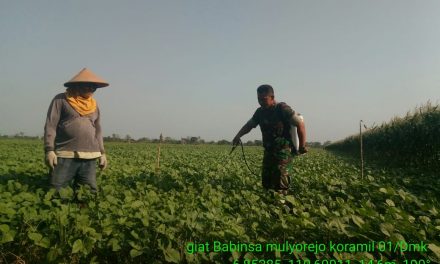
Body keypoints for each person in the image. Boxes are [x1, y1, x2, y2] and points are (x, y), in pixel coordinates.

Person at [232, 84, 307, 195]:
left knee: (280, 185)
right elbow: (249, 125)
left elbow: (300, 124)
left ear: (272, 97)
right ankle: (269, 205)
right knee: (266, 183)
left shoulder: (282, 108)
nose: (261, 102)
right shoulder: (260, 112)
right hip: (268, 152)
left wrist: (302, 146)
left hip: (283, 153)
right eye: (259, 99)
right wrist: (238, 136)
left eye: (264, 99)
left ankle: (281, 207)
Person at [44, 68, 109, 192]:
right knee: (57, 189)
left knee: (88, 191)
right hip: (65, 153)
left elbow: (98, 129)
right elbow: (50, 125)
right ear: (77, 85)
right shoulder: (61, 99)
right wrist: (49, 150)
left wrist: (102, 153)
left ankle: (83, 210)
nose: (91, 90)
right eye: (87, 86)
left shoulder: (94, 105)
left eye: (93, 88)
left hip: (90, 155)